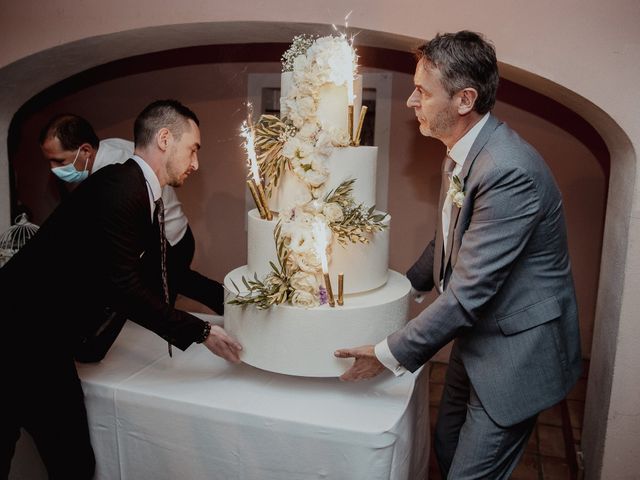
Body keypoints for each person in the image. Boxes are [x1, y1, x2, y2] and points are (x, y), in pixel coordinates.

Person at [335, 31, 582, 479]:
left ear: (465, 99)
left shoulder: (508, 170)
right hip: (475, 337)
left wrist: (387, 353)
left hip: (515, 353)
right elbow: (447, 238)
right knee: (446, 447)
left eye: (422, 92)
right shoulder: (461, 154)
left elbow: (468, 295)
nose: (411, 102)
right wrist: (404, 291)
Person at [0, 99, 242, 479]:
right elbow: (125, 289)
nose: (196, 163)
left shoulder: (134, 186)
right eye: (193, 148)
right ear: (165, 139)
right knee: (73, 462)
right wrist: (201, 331)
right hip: (24, 336)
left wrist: (232, 302)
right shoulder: (122, 190)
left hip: (29, 332)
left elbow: (158, 270)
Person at [39, 113, 225, 361]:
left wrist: (200, 332)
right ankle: (233, 305)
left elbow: (125, 285)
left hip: (168, 237)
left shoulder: (114, 176)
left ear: (85, 151)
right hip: (157, 235)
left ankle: (233, 308)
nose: (53, 170)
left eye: (58, 161)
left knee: (161, 294)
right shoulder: (108, 149)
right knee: (174, 287)